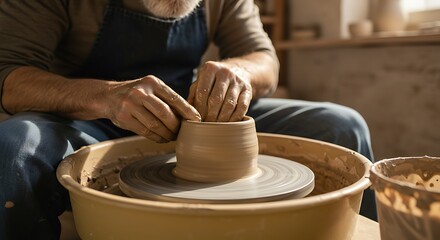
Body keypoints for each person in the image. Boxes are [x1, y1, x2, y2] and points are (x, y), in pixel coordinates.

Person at [0, 0, 376, 239]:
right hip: (90, 114)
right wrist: (106, 96)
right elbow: (10, 75)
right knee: (15, 147)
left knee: (342, 125)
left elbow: (264, 59)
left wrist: (238, 72)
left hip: (192, 112)